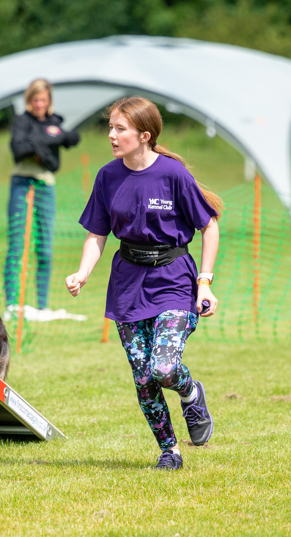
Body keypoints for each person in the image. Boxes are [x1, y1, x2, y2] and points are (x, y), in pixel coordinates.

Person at [65, 96, 223, 471]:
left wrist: (205, 282)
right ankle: (170, 450)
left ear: (144, 135)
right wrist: (83, 272)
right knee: (143, 377)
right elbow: (97, 234)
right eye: (110, 128)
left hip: (173, 281)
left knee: (164, 368)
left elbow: (209, 225)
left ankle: (190, 391)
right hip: (127, 285)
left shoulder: (173, 174)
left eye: (120, 129)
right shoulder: (107, 176)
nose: (112, 135)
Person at [4, 78, 80, 319]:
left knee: (45, 248)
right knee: (17, 245)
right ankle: (12, 304)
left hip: (46, 186)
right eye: (36, 100)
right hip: (21, 183)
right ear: (30, 100)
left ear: (49, 101)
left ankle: (42, 304)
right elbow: (18, 148)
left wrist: (37, 143)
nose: (39, 104)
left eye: (43, 100)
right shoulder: (21, 121)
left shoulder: (54, 121)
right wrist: (45, 143)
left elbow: (71, 138)